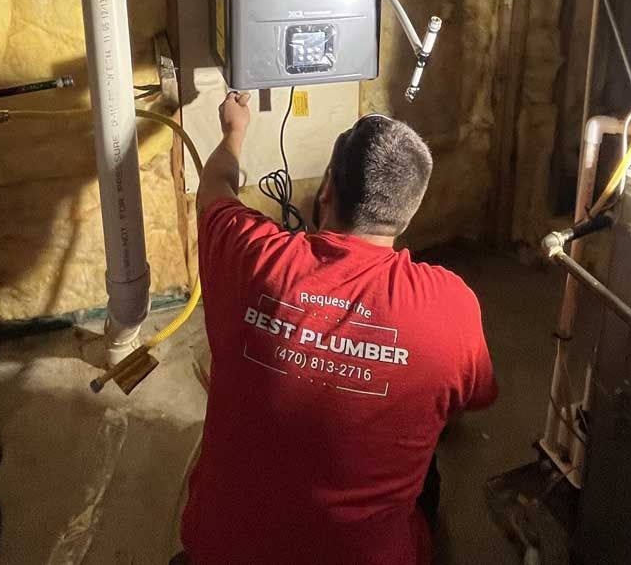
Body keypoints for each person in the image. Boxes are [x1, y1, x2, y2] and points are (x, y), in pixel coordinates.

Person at [178, 92, 497, 565]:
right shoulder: (452, 306)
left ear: (327, 190)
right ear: (408, 212)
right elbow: (474, 398)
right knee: (428, 450)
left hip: (218, 551)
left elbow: (214, 185)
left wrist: (234, 130)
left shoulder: (250, 256)